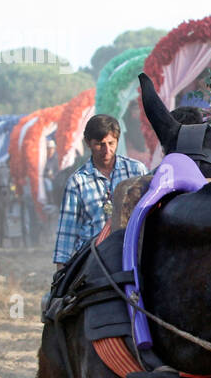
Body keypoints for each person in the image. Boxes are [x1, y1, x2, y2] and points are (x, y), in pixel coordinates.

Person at [53, 114, 149, 270]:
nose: (107, 150)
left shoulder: (137, 171)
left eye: (111, 143)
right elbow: (67, 230)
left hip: (131, 254)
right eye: (100, 144)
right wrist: (60, 273)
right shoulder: (77, 182)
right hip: (92, 260)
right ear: (88, 143)